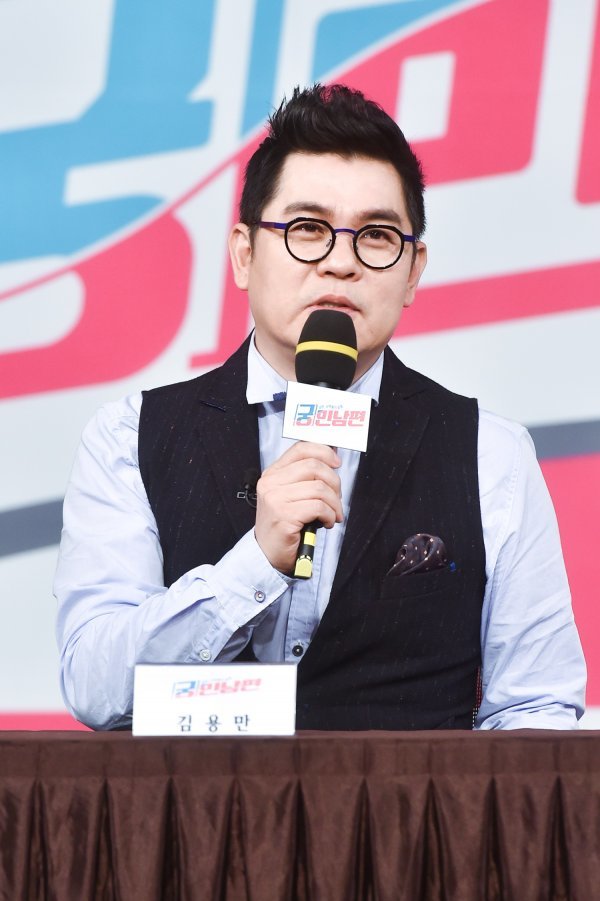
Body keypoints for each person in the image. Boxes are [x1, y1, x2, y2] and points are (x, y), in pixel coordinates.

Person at [55, 84, 586, 731]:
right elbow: (95, 686)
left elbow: (536, 709)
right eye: (307, 229)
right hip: (198, 801)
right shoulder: (131, 436)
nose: (340, 262)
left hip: (411, 802)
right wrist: (254, 564)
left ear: (413, 271)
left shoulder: (490, 453)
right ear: (244, 254)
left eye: (377, 235)